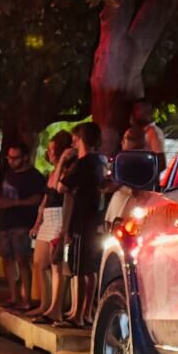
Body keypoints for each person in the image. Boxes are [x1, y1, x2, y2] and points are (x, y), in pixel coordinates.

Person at [59, 121, 109, 326]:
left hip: (81, 221)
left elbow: (61, 187)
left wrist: (65, 164)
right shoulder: (102, 161)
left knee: (78, 270)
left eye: (76, 138)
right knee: (91, 270)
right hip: (96, 220)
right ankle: (87, 312)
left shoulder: (84, 163)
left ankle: (78, 315)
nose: (73, 142)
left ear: (82, 140)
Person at [0, 139, 46, 310]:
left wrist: (13, 203)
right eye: (9, 158)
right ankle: (14, 296)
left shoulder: (34, 176)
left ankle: (26, 299)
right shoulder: (8, 174)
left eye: (16, 158)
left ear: (26, 158)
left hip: (22, 224)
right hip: (5, 223)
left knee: (22, 259)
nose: (12, 161)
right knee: (6, 259)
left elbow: (37, 199)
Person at [29, 131, 74, 322]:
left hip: (59, 217)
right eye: (49, 150)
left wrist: (62, 161)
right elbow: (45, 198)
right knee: (39, 263)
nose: (51, 153)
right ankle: (44, 304)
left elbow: (57, 188)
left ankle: (55, 306)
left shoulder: (66, 172)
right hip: (48, 217)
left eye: (54, 150)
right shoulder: (52, 172)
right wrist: (37, 223)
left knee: (56, 265)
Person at [129, 100, 167, 173]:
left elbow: (161, 164)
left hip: (144, 182)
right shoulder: (130, 132)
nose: (133, 113)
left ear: (147, 112)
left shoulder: (154, 133)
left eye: (137, 109)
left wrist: (144, 175)